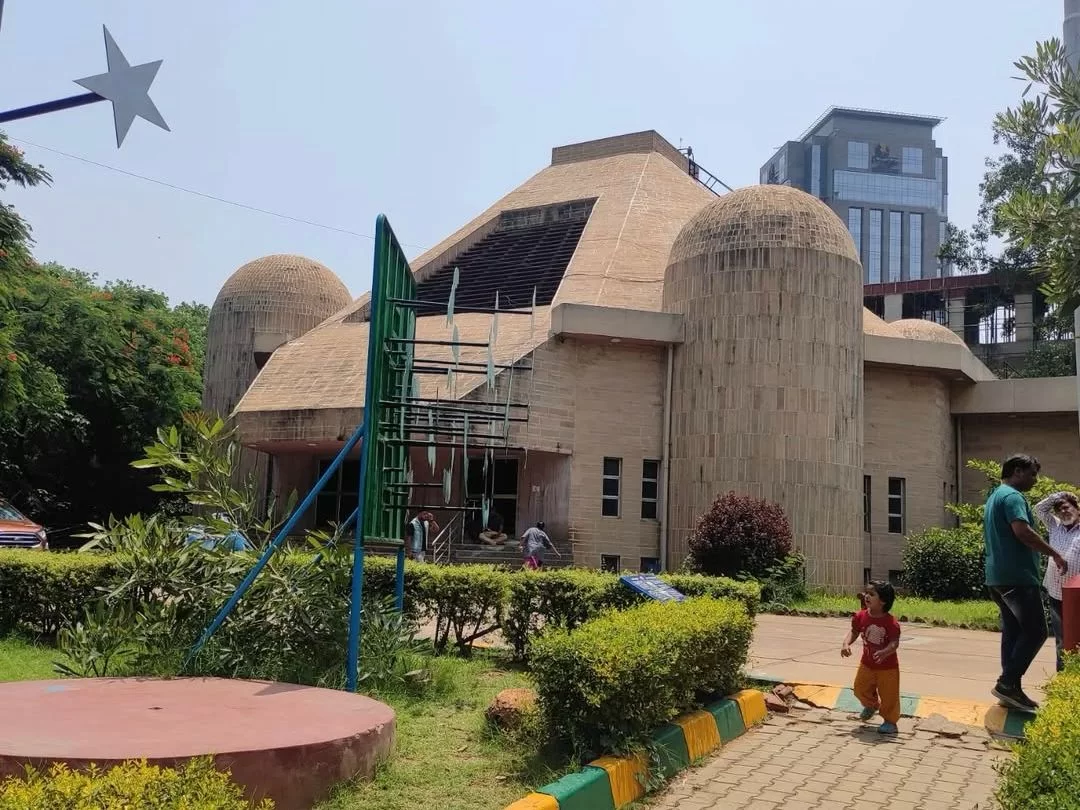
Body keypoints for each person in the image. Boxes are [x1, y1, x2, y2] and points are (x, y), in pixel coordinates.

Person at [983, 454, 1068, 711]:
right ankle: (1007, 683)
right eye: (1032, 474)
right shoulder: (1012, 497)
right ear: (1017, 471)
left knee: (1014, 631)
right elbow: (1022, 531)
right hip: (1017, 578)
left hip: (998, 577)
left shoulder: (996, 495)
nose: (1035, 480)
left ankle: (1010, 689)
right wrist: (1053, 552)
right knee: (1036, 631)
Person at [841, 580, 902, 735]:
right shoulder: (860, 616)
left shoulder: (891, 622)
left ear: (883, 601)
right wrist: (846, 643)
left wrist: (885, 652)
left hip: (888, 668)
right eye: (866, 593)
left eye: (872, 594)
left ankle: (890, 722)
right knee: (859, 689)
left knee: (889, 696)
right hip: (867, 664)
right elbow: (854, 631)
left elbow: (894, 643)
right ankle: (872, 705)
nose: (867, 596)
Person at [1033, 491, 1080, 672]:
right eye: (1059, 510)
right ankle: (1063, 678)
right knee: (1061, 639)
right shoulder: (1055, 526)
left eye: (1067, 507)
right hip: (1056, 593)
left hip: (1077, 595)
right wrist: (1059, 495)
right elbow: (1039, 509)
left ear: (1077, 509)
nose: (1063, 512)